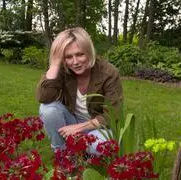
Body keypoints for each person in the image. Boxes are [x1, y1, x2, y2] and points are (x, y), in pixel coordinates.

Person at [36, 27, 123, 155]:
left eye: (80, 54)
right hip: (72, 120)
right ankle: (62, 154)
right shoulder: (63, 69)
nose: (75, 62)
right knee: (47, 109)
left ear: (89, 51)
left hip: (100, 127)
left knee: (97, 146)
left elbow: (113, 114)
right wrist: (54, 64)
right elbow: (43, 97)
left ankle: (82, 150)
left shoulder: (108, 73)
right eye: (68, 57)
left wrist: (79, 128)